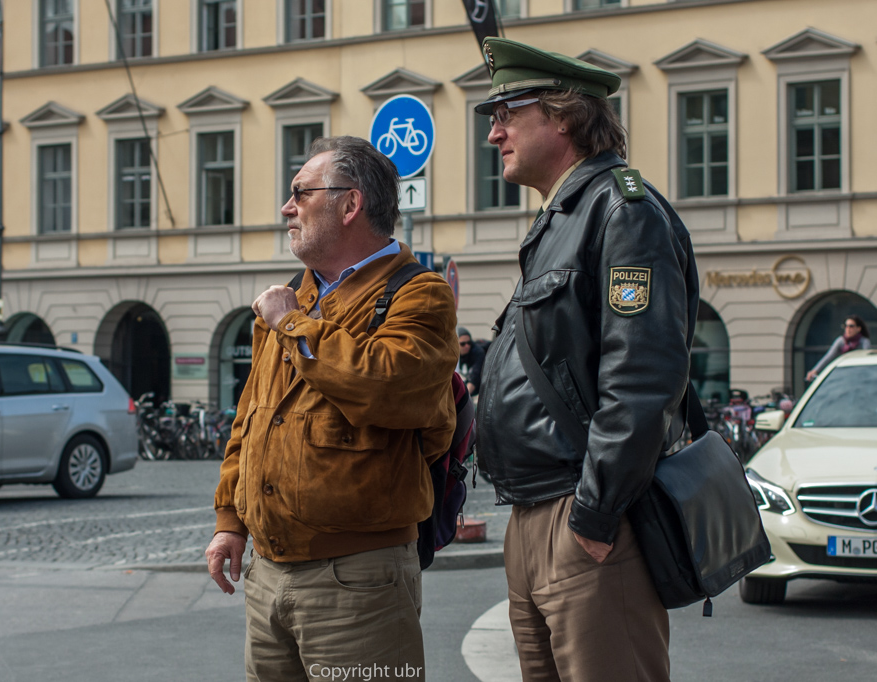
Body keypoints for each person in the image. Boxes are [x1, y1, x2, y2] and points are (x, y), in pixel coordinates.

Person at [473, 38, 699, 682]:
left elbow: (642, 377)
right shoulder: (564, 217)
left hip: (586, 518)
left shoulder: (622, 210)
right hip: (536, 514)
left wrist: (595, 516)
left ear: (562, 116)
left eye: (506, 115)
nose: (494, 134)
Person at [204, 135, 458, 682]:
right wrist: (231, 520)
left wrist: (291, 324)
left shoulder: (420, 295)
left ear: (350, 204)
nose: (286, 206)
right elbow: (251, 418)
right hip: (267, 574)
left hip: (359, 578)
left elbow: (386, 385)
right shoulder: (293, 298)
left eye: (301, 192)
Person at [805, 315, 871, 382]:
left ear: (858, 328)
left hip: (860, 375)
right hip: (844, 375)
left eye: (851, 326)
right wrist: (815, 370)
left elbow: (866, 360)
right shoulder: (841, 341)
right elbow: (829, 357)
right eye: (845, 326)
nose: (848, 329)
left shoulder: (864, 342)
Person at [457, 326, 486, 395]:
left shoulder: (478, 352)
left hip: (478, 387)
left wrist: (464, 398)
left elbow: (474, 377)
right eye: (462, 344)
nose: (467, 346)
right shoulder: (451, 353)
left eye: (469, 343)